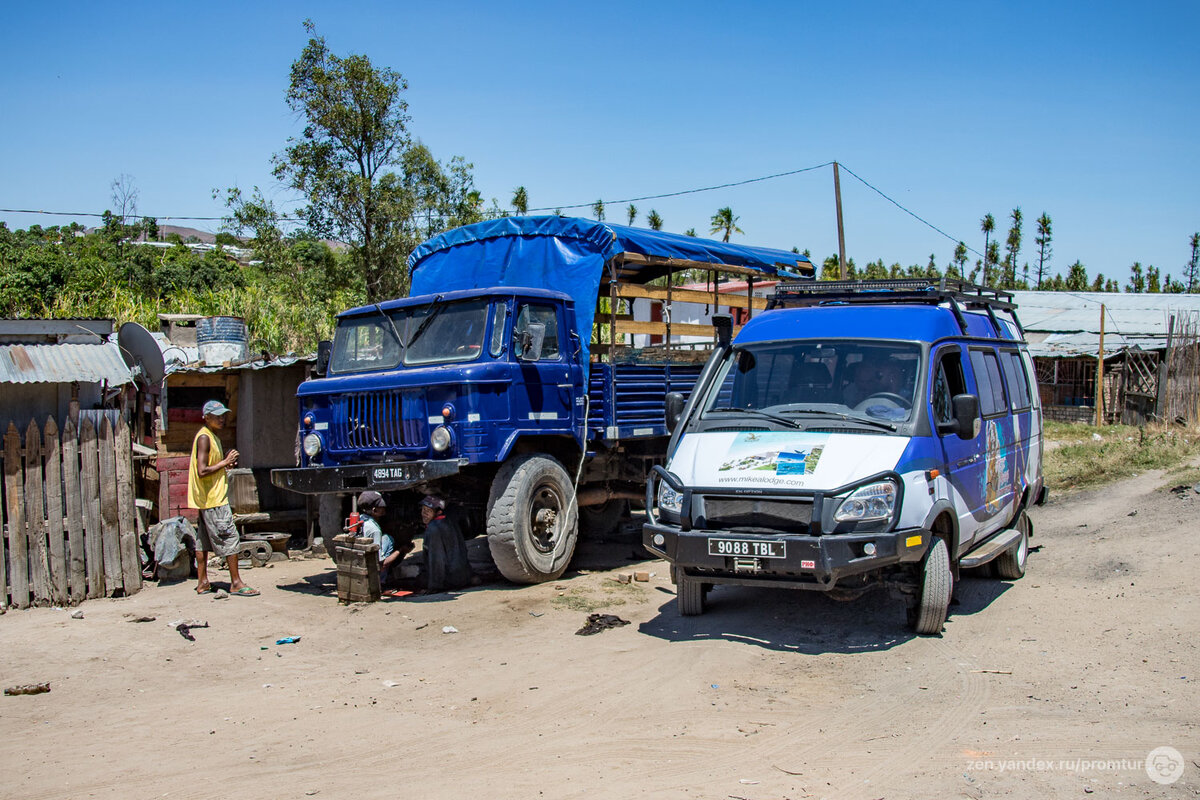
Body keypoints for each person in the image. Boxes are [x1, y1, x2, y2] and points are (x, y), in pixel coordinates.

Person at [188, 400, 258, 596]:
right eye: (217, 416)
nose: (222, 419)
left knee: (202, 542)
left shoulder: (212, 437)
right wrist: (225, 462)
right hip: (214, 499)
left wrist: (225, 465)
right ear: (206, 417)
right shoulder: (204, 438)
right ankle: (235, 582)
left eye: (223, 415)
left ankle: (203, 582)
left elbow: (210, 467)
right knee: (230, 539)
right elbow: (202, 470)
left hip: (207, 500)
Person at [419, 495, 471, 592]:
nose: (424, 514)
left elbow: (437, 560)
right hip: (463, 576)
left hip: (450, 579)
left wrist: (434, 587)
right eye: (423, 509)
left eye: (428, 511)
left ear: (438, 512)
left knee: (418, 580)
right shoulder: (449, 521)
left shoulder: (433, 529)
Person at [356, 490, 409, 585]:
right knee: (388, 539)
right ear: (374, 510)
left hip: (359, 565)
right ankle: (380, 581)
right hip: (369, 574)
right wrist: (401, 550)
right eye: (381, 506)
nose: (384, 508)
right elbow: (381, 564)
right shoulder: (375, 530)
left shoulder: (360, 519)